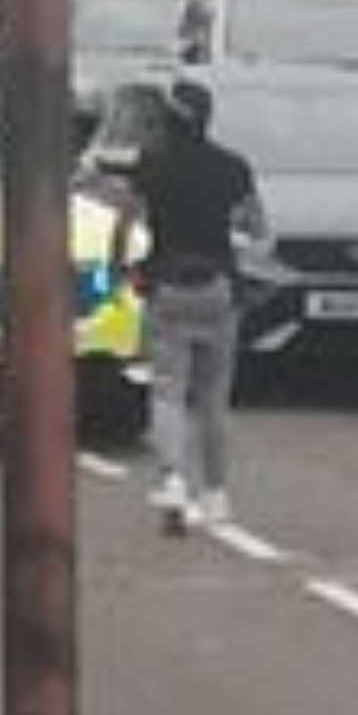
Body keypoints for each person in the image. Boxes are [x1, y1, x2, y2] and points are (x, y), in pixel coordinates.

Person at [110, 77, 266, 535]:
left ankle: (173, 478)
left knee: (168, 390)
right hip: (218, 287)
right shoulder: (232, 168)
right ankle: (216, 493)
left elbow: (125, 222)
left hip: (167, 286)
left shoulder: (151, 166)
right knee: (214, 398)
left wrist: (123, 268)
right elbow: (257, 227)